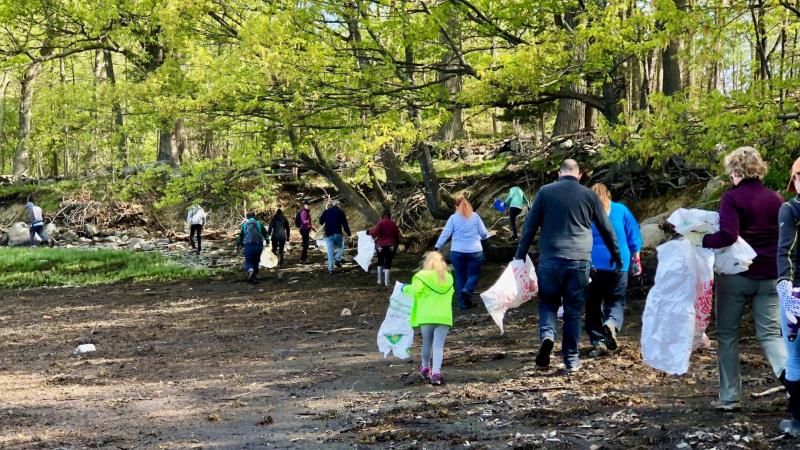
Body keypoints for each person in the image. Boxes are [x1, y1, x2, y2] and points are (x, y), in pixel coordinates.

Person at [686, 147, 787, 411]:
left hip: (737, 277)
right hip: (771, 276)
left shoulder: (732, 198)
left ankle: (730, 396)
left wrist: (702, 240)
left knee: (728, 335)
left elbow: (728, 236)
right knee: (771, 336)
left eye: (731, 172)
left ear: (736, 171)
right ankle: (793, 385)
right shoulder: (776, 199)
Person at [515, 159, 621, 374]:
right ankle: (571, 360)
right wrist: (616, 257)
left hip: (550, 259)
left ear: (559, 172)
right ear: (579, 174)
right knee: (573, 311)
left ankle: (548, 335)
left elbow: (529, 227)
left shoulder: (545, 192)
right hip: (579, 260)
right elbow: (607, 229)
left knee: (548, 303)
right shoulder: (589, 195)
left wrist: (519, 257)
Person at [584, 183, 642, 358]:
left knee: (593, 304)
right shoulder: (621, 210)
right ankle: (611, 323)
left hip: (593, 264)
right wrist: (636, 259)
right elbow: (634, 235)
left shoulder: (585, 212)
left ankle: (598, 341)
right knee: (615, 301)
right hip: (619, 262)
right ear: (608, 194)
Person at [403, 251, 454, 386]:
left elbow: (414, 291)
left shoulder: (420, 276)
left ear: (426, 262)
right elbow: (452, 292)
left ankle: (425, 368)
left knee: (427, 343)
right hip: (444, 316)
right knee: (438, 346)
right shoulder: (448, 277)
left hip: (426, 316)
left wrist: (404, 288)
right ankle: (436, 373)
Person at [777, 155, 800, 436]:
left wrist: (785, 292)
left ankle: (796, 422)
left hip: (796, 291)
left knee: (795, 358)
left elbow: (785, 252)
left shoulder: (791, 209)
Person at [434, 196, 489, 310]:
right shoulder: (475, 216)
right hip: (475, 251)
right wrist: (485, 237)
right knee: (473, 275)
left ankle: (463, 304)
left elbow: (446, 233)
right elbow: (484, 233)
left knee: (460, 277)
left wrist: (437, 247)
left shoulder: (453, 218)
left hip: (457, 252)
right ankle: (467, 290)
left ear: (456, 206)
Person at [371, 208, 401, 290]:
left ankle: (379, 281)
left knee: (380, 262)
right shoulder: (393, 224)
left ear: (382, 215)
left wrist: (369, 232)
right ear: (389, 215)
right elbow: (397, 237)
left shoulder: (380, 223)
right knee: (388, 263)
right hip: (391, 246)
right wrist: (396, 245)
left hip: (380, 246)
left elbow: (374, 235)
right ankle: (387, 283)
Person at [319, 200, 351, 274]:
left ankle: (330, 269)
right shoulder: (340, 212)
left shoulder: (326, 211)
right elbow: (345, 224)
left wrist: (326, 221)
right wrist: (348, 233)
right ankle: (337, 259)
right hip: (337, 234)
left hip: (328, 234)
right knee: (341, 247)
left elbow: (320, 221)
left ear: (332, 205)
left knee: (330, 252)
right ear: (338, 205)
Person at [237, 211, 269, 282]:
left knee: (249, 260)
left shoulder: (245, 225)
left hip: (248, 245)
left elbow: (241, 236)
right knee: (256, 260)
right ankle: (255, 275)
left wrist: (239, 243)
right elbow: (266, 234)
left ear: (247, 217)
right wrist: (267, 243)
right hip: (258, 245)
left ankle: (250, 270)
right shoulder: (259, 224)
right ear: (254, 216)